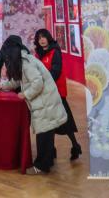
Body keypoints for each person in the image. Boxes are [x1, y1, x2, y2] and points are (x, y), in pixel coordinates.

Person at [0, 35, 68, 175]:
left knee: (43, 135)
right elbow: (18, 81)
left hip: (45, 102)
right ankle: (47, 162)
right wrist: (3, 86)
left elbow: (37, 83)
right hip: (44, 101)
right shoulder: (23, 60)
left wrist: (25, 94)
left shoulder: (26, 62)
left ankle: (41, 166)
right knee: (46, 134)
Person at [34, 28, 82, 160]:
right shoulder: (38, 53)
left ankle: (75, 146)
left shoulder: (55, 51)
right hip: (45, 92)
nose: (42, 40)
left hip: (57, 91)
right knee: (50, 122)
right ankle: (51, 149)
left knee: (65, 120)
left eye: (43, 37)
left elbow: (56, 71)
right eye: (39, 38)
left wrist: (44, 83)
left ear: (48, 37)